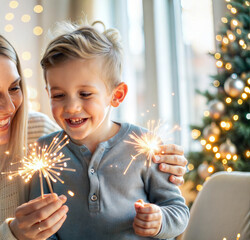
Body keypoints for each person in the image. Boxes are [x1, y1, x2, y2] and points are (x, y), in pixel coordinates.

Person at [0, 24, 188, 240]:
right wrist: (14, 236)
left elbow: (96, 145)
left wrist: (164, 160)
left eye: (14, 89)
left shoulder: (38, 134)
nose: (9, 107)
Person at [29, 22, 189, 240]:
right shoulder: (43, 153)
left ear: (117, 95)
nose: (71, 107)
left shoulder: (143, 145)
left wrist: (160, 219)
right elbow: (40, 226)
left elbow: (178, 210)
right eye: (58, 95)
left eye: (85, 94)